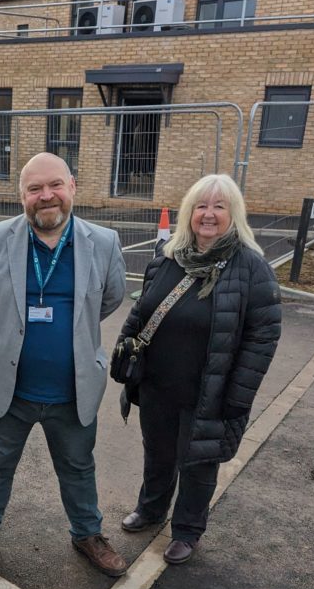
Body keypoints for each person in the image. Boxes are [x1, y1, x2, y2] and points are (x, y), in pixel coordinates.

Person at [0, 152, 128, 578]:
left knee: (78, 466)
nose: (45, 196)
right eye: (35, 189)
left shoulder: (104, 243)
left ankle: (87, 532)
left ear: (72, 186)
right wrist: (7, 330)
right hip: (8, 387)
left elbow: (108, 300)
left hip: (72, 390)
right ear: (22, 196)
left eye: (54, 185)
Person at [116, 173, 281, 564]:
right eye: (201, 206)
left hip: (210, 391)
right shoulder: (168, 257)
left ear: (233, 214)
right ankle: (152, 508)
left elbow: (263, 339)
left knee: (198, 463)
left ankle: (188, 530)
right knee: (157, 452)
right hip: (158, 384)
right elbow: (141, 311)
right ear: (190, 212)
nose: (209, 215)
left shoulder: (251, 269)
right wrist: (123, 353)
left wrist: (238, 395)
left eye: (219, 207)